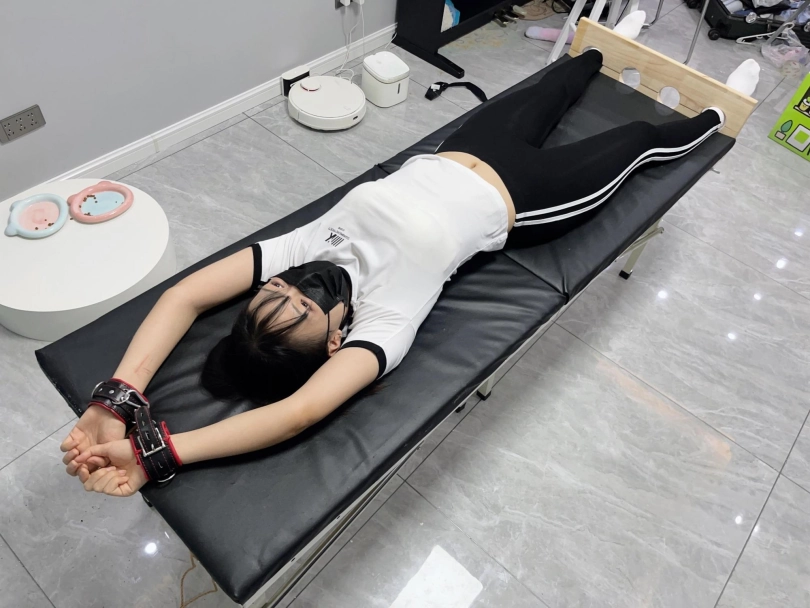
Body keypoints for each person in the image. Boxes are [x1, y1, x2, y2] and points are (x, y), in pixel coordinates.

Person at [60, 50, 725, 496]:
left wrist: (114, 401)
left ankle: (598, 51)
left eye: (276, 293)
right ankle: (718, 119)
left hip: (461, 150)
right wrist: (159, 452)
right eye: (303, 307)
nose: (298, 287)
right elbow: (298, 412)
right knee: (638, 141)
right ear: (334, 342)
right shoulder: (385, 318)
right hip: (531, 196)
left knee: (555, 84)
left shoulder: (300, 248)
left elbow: (182, 297)